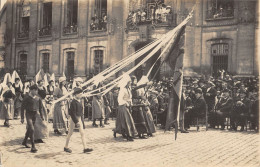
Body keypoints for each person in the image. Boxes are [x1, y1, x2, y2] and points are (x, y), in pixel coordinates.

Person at [64, 88, 93, 153]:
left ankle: (85, 148)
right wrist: (76, 122)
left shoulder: (79, 101)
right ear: (76, 94)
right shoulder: (73, 102)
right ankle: (66, 146)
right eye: (80, 94)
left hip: (79, 118)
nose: (81, 95)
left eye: (81, 93)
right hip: (74, 119)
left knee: (82, 133)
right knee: (70, 133)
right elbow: (72, 113)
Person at [21, 84, 44, 153]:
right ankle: (33, 146)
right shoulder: (26, 97)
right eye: (35, 90)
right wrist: (22, 118)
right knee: (32, 129)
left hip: (34, 115)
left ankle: (24, 141)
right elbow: (22, 108)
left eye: (37, 90)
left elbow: (41, 108)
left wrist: (42, 116)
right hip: (28, 114)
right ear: (31, 90)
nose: (36, 92)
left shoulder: (37, 98)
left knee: (29, 129)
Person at [114, 74, 137, 141]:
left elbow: (130, 97)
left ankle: (124, 132)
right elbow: (119, 99)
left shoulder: (128, 89)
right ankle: (129, 135)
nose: (130, 83)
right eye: (129, 82)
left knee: (124, 121)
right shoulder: (122, 90)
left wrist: (130, 102)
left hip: (128, 106)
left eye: (130, 82)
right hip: (123, 106)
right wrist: (126, 103)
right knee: (128, 120)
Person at [34, 79, 49, 143]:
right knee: (38, 120)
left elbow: (44, 95)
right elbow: (35, 96)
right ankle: (35, 137)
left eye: (43, 81)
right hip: (37, 104)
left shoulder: (43, 87)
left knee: (43, 119)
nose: (42, 82)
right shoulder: (36, 88)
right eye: (41, 81)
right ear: (38, 82)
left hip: (43, 103)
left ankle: (41, 136)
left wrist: (47, 99)